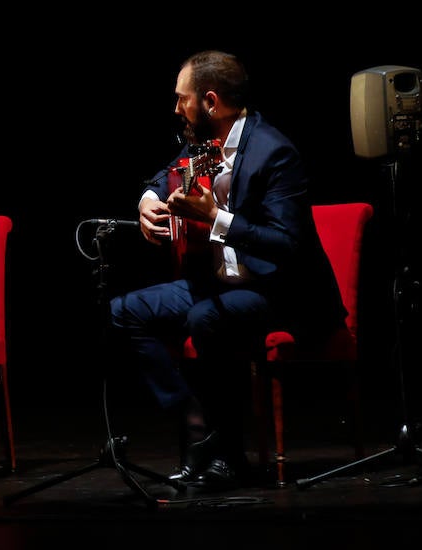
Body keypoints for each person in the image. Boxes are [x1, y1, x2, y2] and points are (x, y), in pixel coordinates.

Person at [109, 51, 347, 489]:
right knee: (125, 310)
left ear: (211, 102)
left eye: (183, 99)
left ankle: (230, 457)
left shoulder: (274, 152)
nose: (176, 108)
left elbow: (288, 244)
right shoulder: (202, 142)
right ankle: (200, 425)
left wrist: (216, 217)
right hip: (219, 283)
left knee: (207, 318)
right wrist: (146, 199)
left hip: (279, 291)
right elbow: (165, 174)